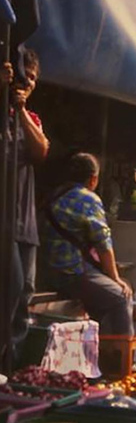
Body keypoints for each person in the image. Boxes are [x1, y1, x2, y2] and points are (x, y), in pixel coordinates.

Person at [41, 153, 133, 336]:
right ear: (93, 179)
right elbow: (103, 243)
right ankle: (122, 359)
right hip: (71, 274)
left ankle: (99, 349)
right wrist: (115, 278)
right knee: (121, 296)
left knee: (104, 294)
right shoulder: (88, 199)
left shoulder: (53, 196)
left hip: (46, 272)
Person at [4, 51, 49, 359]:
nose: (26, 82)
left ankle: (13, 363)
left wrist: (20, 109)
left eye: (32, 77)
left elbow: (41, 151)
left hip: (25, 224)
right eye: (22, 76)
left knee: (25, 291)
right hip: (4, 221)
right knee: (10, 286)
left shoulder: (30, 118)